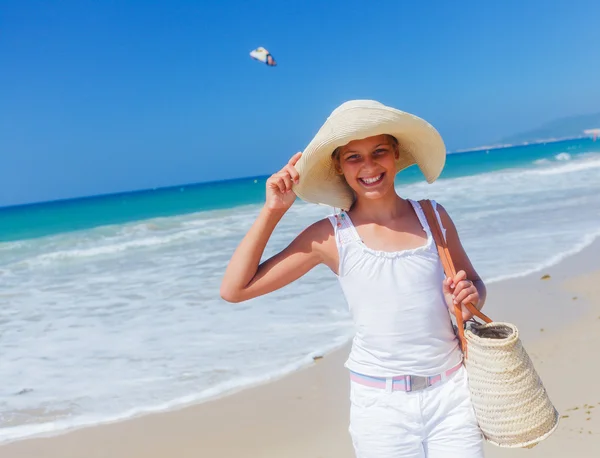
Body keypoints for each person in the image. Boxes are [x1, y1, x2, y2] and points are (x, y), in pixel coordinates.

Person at [220, 100, 486, 457]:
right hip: (381, 407)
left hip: (453, 393)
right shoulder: (331, 237)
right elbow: (235, 289)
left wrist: (471, 297)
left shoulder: (433, 216)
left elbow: (475, 287)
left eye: (379, 152)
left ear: (395, 155)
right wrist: (273, 211)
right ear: (339, 167)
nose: (369, 166)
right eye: (354, 157)